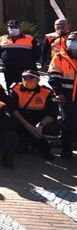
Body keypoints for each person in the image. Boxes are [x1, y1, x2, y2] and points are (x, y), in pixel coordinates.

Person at [8, 69, 59, 160]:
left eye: (31, 78)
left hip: (39, 122)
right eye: (24, 77)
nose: (27, 80)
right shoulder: (15, 89)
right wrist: (26, 124)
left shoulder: (47, 92)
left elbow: (53, 113)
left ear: (38, 80)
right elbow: (13, 109)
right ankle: (29, 142)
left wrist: (41, 125)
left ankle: (42, 144)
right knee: (20, 150)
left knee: (53, 129)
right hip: (23, 122)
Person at [47, 31, 77, 160]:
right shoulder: (59, 57)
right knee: (68, 121)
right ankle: (66, 150)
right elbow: (53, 77)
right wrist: (59, 93)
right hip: (66, 95)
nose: (72, 42)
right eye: (71, 39)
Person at [0, 19, 40, 88]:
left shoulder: (30, 38)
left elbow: (37, 53)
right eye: (11, 27)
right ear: (8, 28)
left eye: (15, 27)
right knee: (11, 88)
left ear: (20, 28)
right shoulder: (1, 39)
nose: (13, 29)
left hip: (26, 70)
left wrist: (28, 62)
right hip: (9, 70)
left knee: (28, 87)